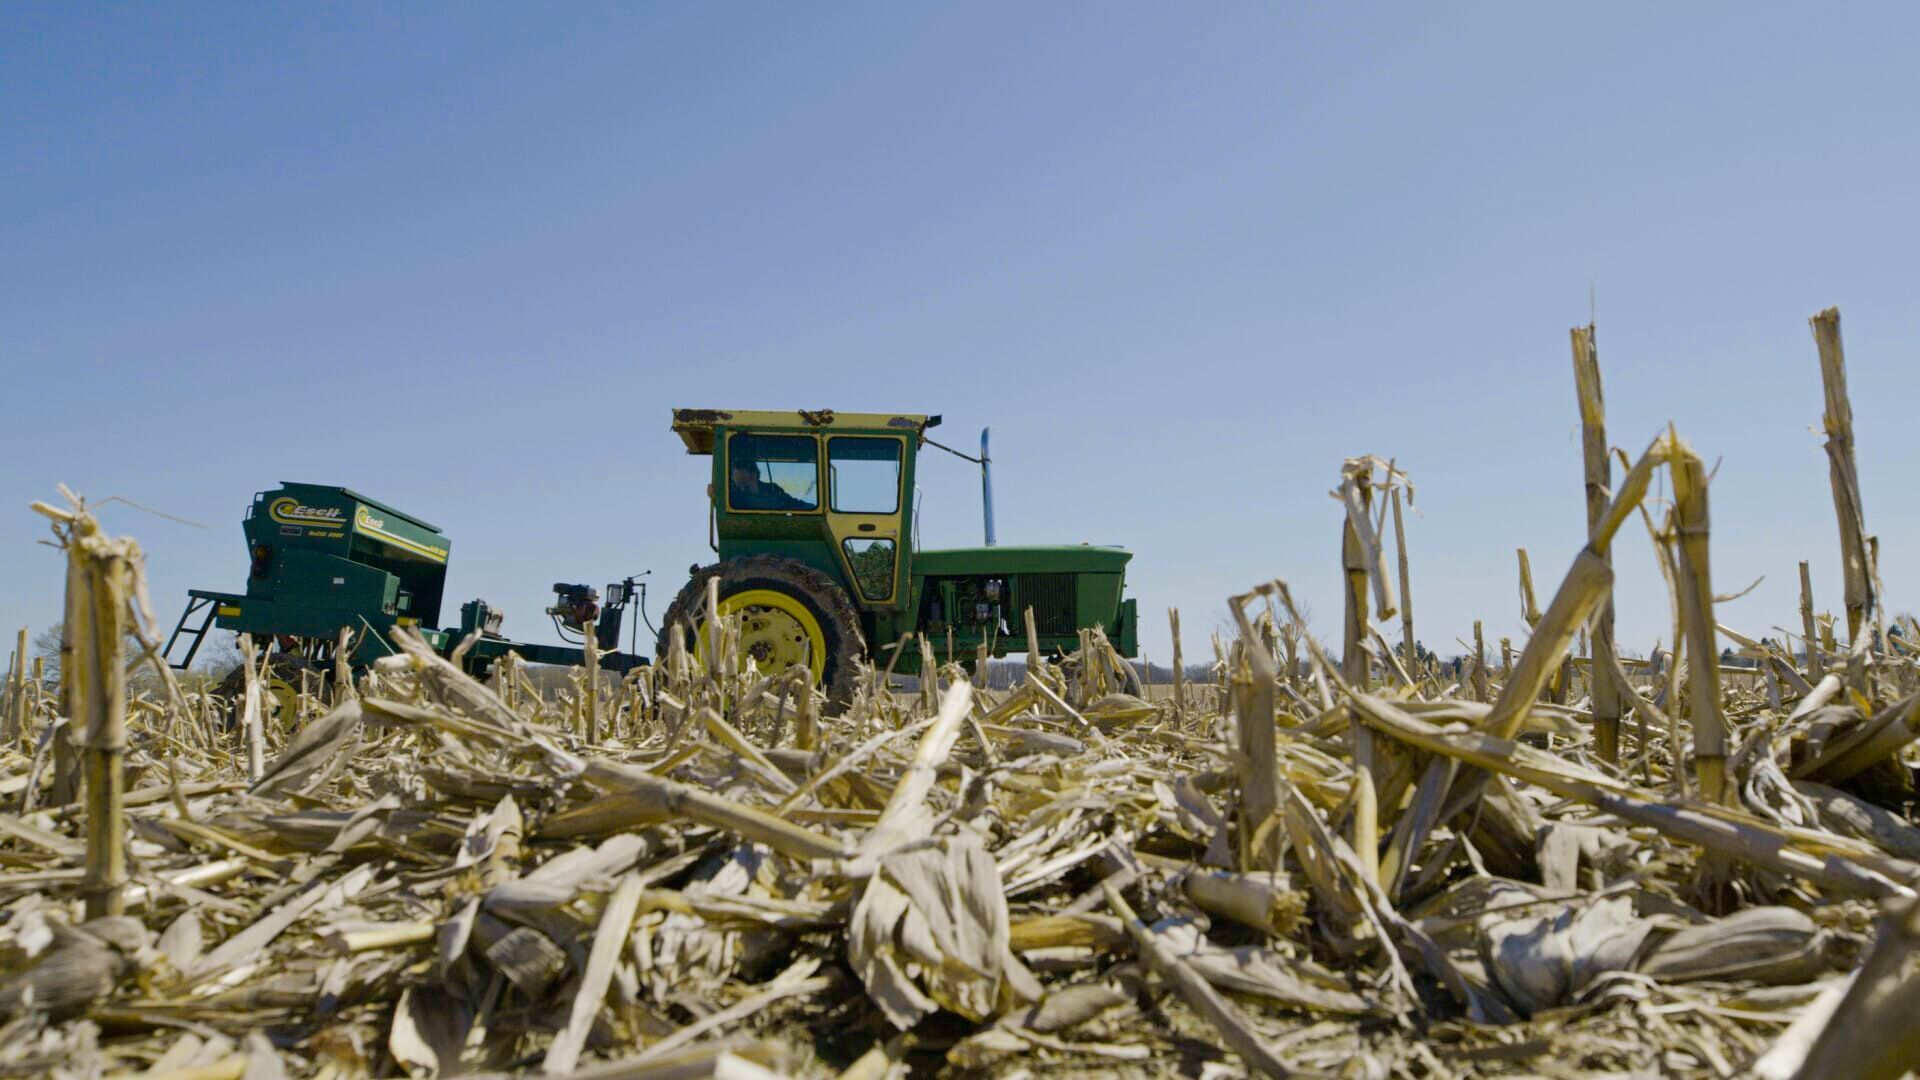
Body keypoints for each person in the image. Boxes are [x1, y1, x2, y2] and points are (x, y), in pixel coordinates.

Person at [730, 453, 812, 511]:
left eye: (744, 484)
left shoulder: (773, 491)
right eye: (738, 485)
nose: (741, 489)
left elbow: (795, 505)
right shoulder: (733, 499)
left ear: (754, 475)